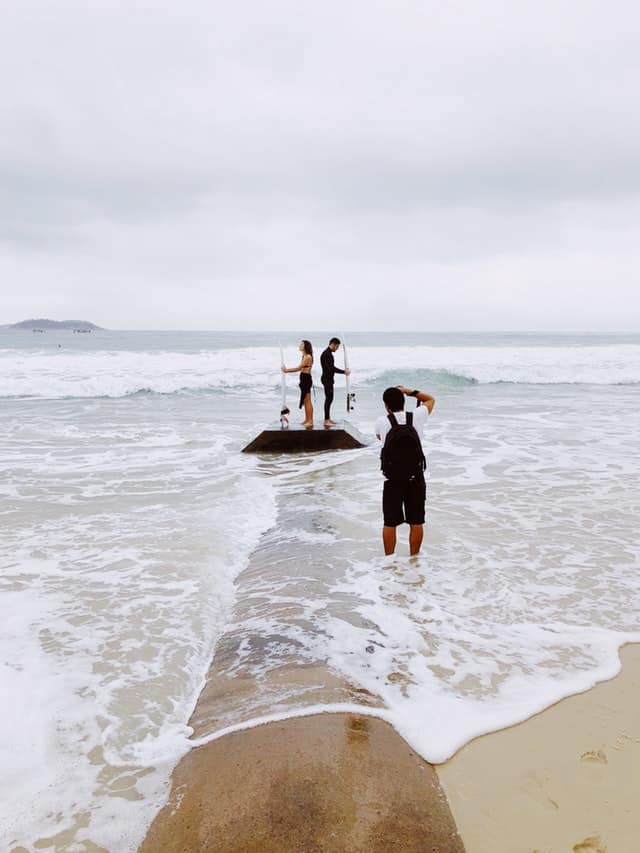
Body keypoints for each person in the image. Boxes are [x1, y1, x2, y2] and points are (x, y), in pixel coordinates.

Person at [375, 385, 435, 556]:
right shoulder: (417, 416)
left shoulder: (382, 421)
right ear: (403, 401)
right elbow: (430, 399)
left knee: (389, 523)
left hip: (393, 479)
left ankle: (389, 559)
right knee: (416, 521)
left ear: (386, 406)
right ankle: (414, 558)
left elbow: (379, 437)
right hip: (415, 477)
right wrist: (409, 392)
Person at [282, 340, 314, 427]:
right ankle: (307, 419)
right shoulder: (304, 356)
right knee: (305, 400)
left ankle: (310, 421)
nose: (299, 345)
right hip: (303, 378)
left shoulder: (308, 357)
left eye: (301, 344)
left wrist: (286, 370)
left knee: (307, 400)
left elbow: (298, 368)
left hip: (306, 379)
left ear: (306, 346)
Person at [320, 337, 351, 427]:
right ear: (333, 344)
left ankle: (328, 418)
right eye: (337, 347)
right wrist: (344, 372)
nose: (337, 349)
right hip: (327, 380)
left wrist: (343, 371)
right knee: (328, 399)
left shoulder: (328, 353)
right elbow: (331, 369)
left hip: (328, 379)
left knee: (329, 399)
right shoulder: (326, 354)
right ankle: (326, 420)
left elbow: (331, 368)